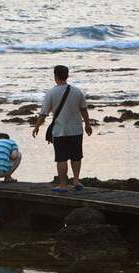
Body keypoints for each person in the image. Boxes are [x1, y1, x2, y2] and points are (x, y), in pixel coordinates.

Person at [32, 65, 93, 193]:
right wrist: (87, 124)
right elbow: (83, 109)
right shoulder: (77, 91)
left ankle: (63, 185)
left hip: (60, 131)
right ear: (67, 75)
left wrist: (36, 126)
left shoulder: (51, 93)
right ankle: (76, 180)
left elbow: (43, 114)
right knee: (76, 156)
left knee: (61, 158)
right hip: (76, 129)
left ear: (55, 76)